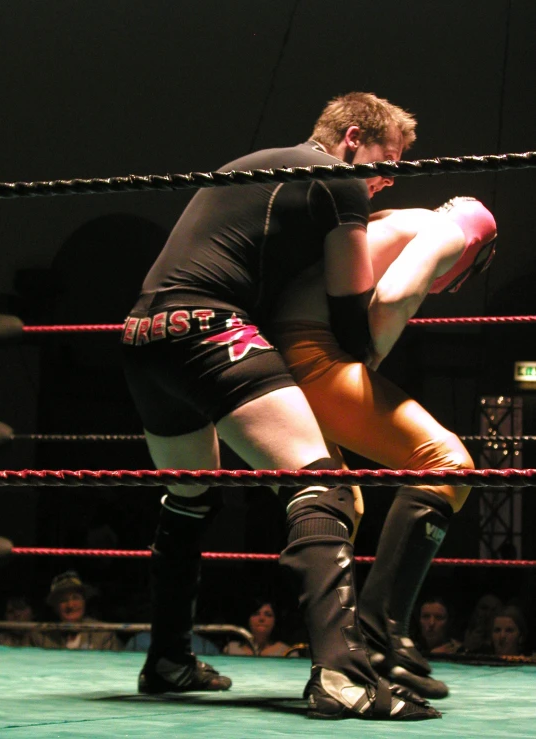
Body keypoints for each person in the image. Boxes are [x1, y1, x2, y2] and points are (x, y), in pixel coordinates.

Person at [122, 92, 441, 720]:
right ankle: (343, 679)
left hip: (141, 336)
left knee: (189, 497)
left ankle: (167, 660)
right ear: (352, 137)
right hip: (205, 328)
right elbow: (350, 314)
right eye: (388, 157)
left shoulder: (262, 161)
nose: (390, 176)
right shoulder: (338, 179)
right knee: (321, 485)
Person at [273, 195, 497, 700]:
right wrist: (366, 363)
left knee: (342, 500)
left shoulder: (390, 220)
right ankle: (381, 635)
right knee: (448, 464)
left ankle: (344, 650)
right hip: (311, 352)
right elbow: (395, 296)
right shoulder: (451, 230)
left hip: (279, 352)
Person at [31, 570, 123, 651]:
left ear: (84, 602)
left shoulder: (103, 634)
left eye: (76, 598)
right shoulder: (40, 637)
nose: (70, 605)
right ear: (55, 607)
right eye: (63, 600)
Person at [224, 599, 290, 657]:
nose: (262, 618)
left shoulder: (287, 652)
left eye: (268, 615)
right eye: (256, 614)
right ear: (248, 619)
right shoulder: (231, 649)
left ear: (275, 620)